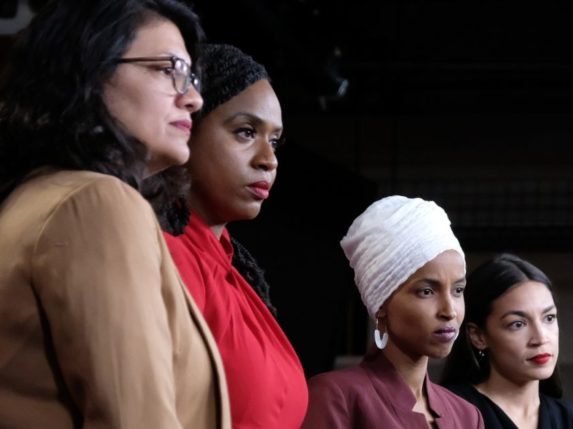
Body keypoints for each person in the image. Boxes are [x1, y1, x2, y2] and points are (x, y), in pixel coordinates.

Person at [0, 1, 230, 428]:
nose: (194, 98)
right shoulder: (96, 204)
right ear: (87, 71)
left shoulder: (35, 200)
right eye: (168, 69)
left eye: (191, 75)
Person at [155, 44, 308, 428]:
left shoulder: (229, 266)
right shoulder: (169, 255)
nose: (268, 159)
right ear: (186, 127)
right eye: (246, 132)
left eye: (274, 141)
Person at [302, 195, 484, 429]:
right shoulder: (336, 397)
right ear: (381, 305)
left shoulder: (467, 416)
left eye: (458, 290)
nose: (449, 311)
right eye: (426, 291)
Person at [441, 254, 573, 429]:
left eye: (549, 318)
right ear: (478, 336)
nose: (540, 338)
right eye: (517, 324)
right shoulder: (450, 413)